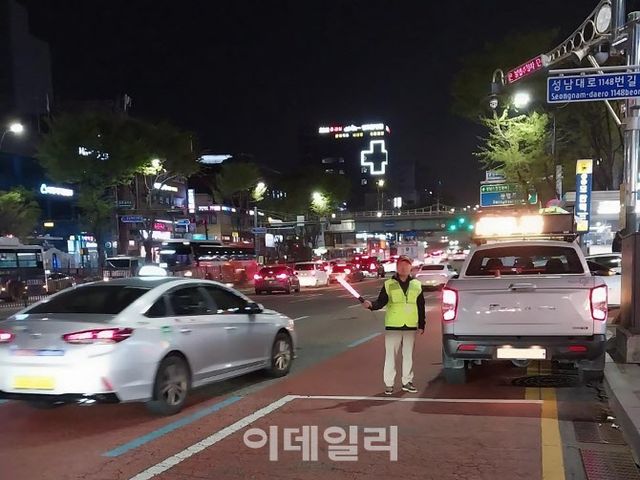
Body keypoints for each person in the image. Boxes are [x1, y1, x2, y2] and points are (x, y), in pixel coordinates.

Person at [362, 255, 426, 395]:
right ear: (397, 267)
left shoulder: (417, 284)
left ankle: (407, 382)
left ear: (410, 267)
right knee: (390, 356)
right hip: (393, 325)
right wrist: (371, 305)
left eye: (406, 265)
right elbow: (381, 302)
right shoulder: (389, 284)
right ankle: (389, 384)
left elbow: (421, 305)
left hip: (410, 325)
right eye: (401, 265)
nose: (404, 268)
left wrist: (422, 324)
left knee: (408, 356)